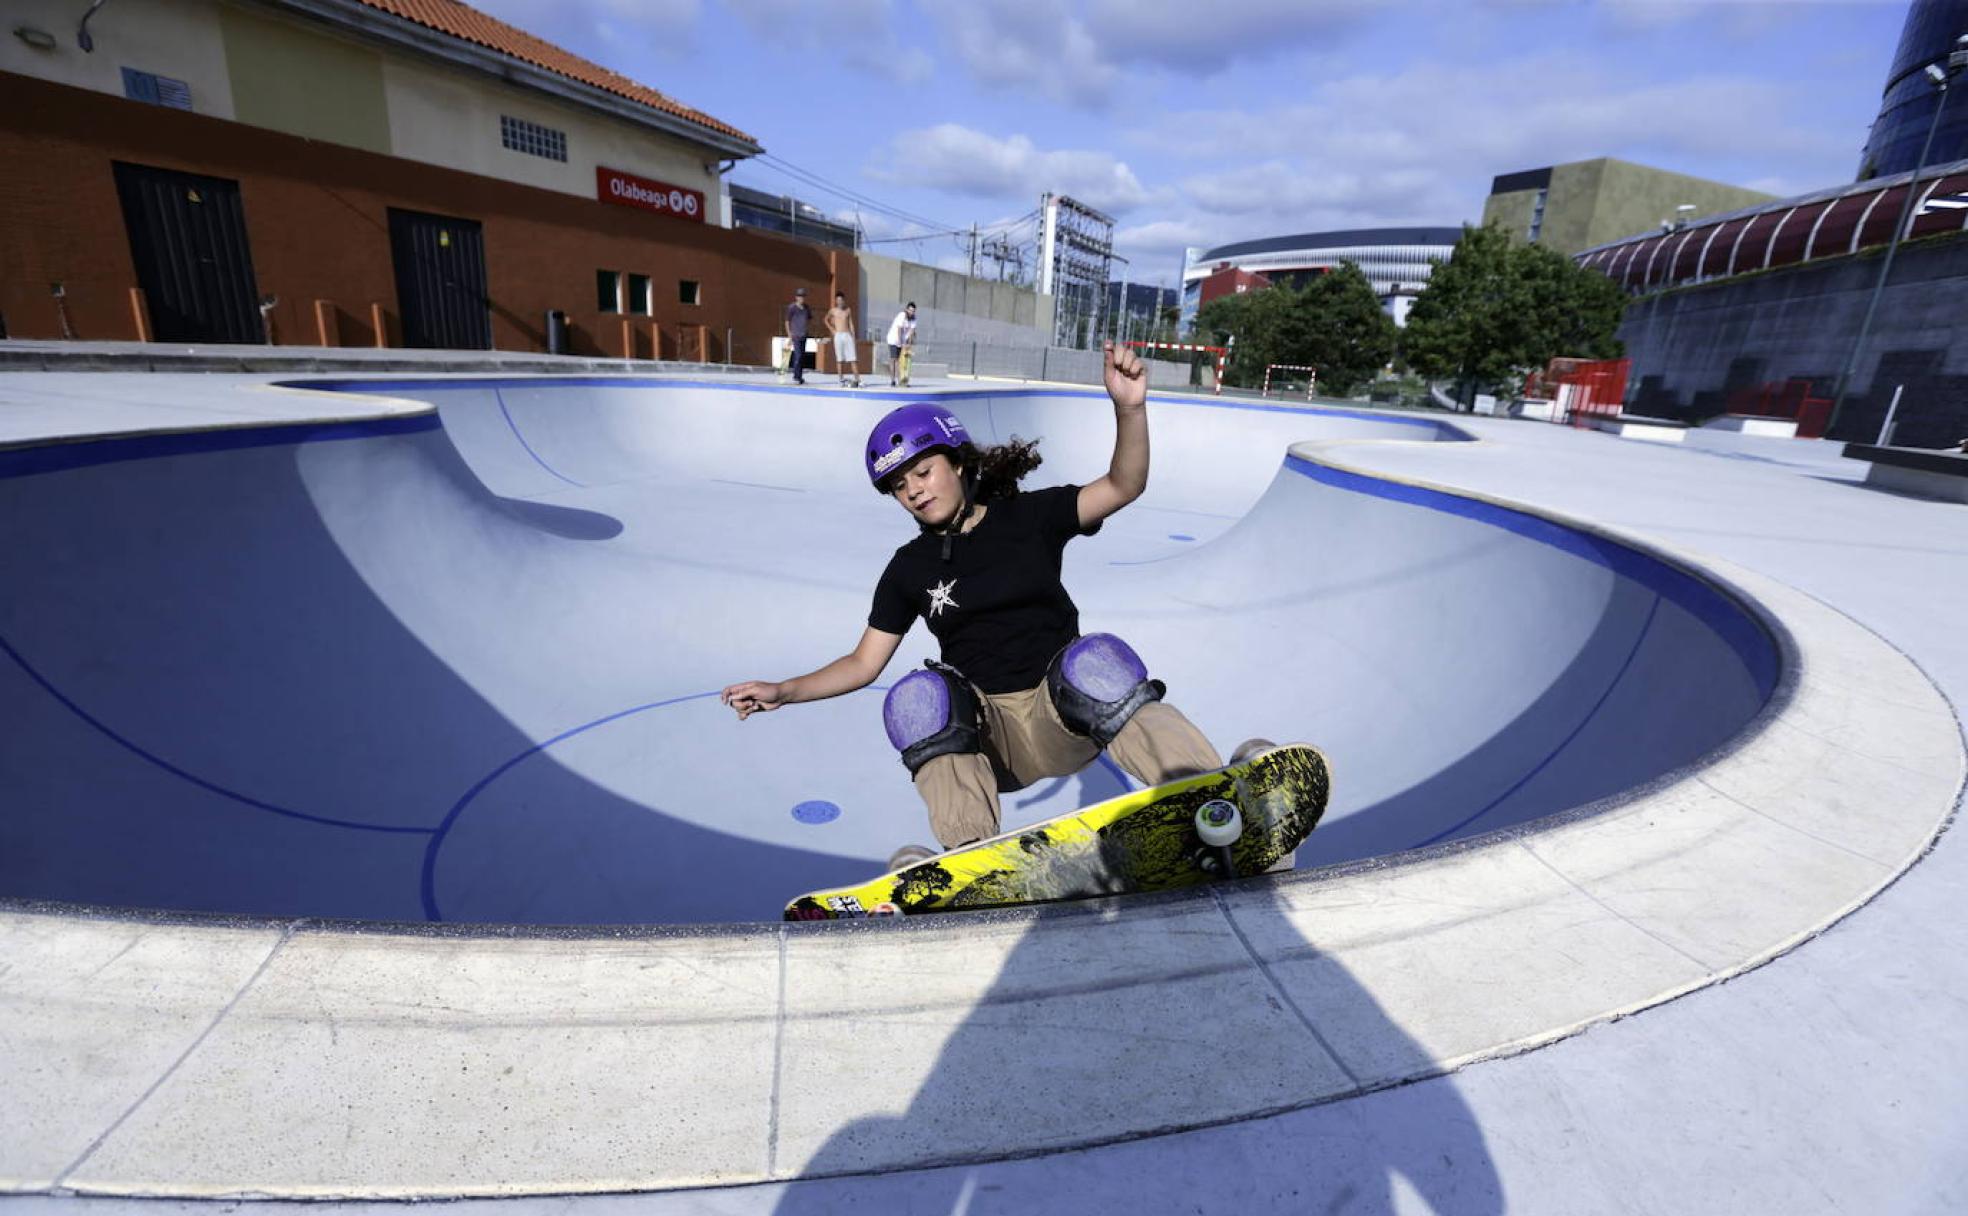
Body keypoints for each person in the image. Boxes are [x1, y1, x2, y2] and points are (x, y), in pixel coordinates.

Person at [722, 341, 1222, 866]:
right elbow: (863, 663)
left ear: (957, 463)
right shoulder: (908, 568)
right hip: (989, 741)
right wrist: (785, 690)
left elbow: (1124, 484)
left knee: (1096, 658)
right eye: (898, 485)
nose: (913, 491)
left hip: (1064, 717)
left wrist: (1130, 408)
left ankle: (1205, 794)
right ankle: (971, 862)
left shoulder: (1031, 517)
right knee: (918, 696)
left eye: (922, 471)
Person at [825, 291, 861, 388]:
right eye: (838, 300)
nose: (840, 302)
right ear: (836, 301)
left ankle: (858, 379)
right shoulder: (833, 311)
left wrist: (853, 336)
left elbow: (851, 324)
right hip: (838, 335)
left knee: (853, 358)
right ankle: (841, 379)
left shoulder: (848, 310)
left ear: (844, 301)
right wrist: (832, 330)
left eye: (841, 300)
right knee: (839, 359)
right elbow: (825, 319)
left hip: (847, 335)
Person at [884, 302, 917, 387]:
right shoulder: (902, 315)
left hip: (902, 340)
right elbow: (899, 329)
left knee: (900, 361)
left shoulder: (913, 319)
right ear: (906, 309)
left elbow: (912, 332)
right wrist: (899, 342)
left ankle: (901, 381)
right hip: (893, 339)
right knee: (894, 359)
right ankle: (892, 380)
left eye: (913, 311)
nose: (911, 312)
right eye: (910, 310)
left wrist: (909, 344)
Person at [784, 286, 810, 385]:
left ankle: (799, 377)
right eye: (800, 296)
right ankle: (796, 376)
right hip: (795, 335)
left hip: (804, 335)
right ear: (796, 297)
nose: (801, 298)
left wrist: (807, 330)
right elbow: (787, 321)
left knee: (802, 357)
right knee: (798, 356)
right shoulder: (792, 308)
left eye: (803, 296)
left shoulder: (806, 308)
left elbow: (808, 320)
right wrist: (789, 335)